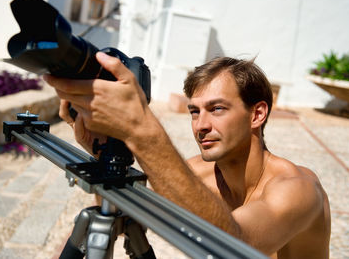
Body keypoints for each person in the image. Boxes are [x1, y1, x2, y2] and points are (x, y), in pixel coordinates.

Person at [44, 52, 331, 258]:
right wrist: (103, 151)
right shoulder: (196, 176)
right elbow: (119, 212)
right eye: (195, 111)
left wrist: (141, 129)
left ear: (257, 114)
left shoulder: (297, 189)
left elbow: (234, 244)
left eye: (217, 109)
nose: (201, 125)